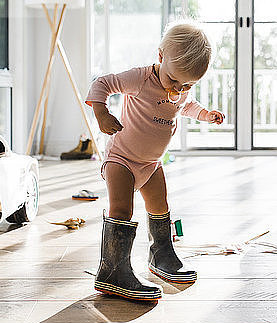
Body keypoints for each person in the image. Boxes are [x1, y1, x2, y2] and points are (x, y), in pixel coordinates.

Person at [85, 22, 225, 301]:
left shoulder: (181, 88)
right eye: (174, 80)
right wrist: (101, 114)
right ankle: (113, 271)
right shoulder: (140, 78)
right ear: (161, 56)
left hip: (151, 164)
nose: (178, 88)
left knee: (160, 206)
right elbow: (101, 84)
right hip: (122, 159)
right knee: (122, 209)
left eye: (187, 84)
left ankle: (161, 254)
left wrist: (206, 115)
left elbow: (187, 106)